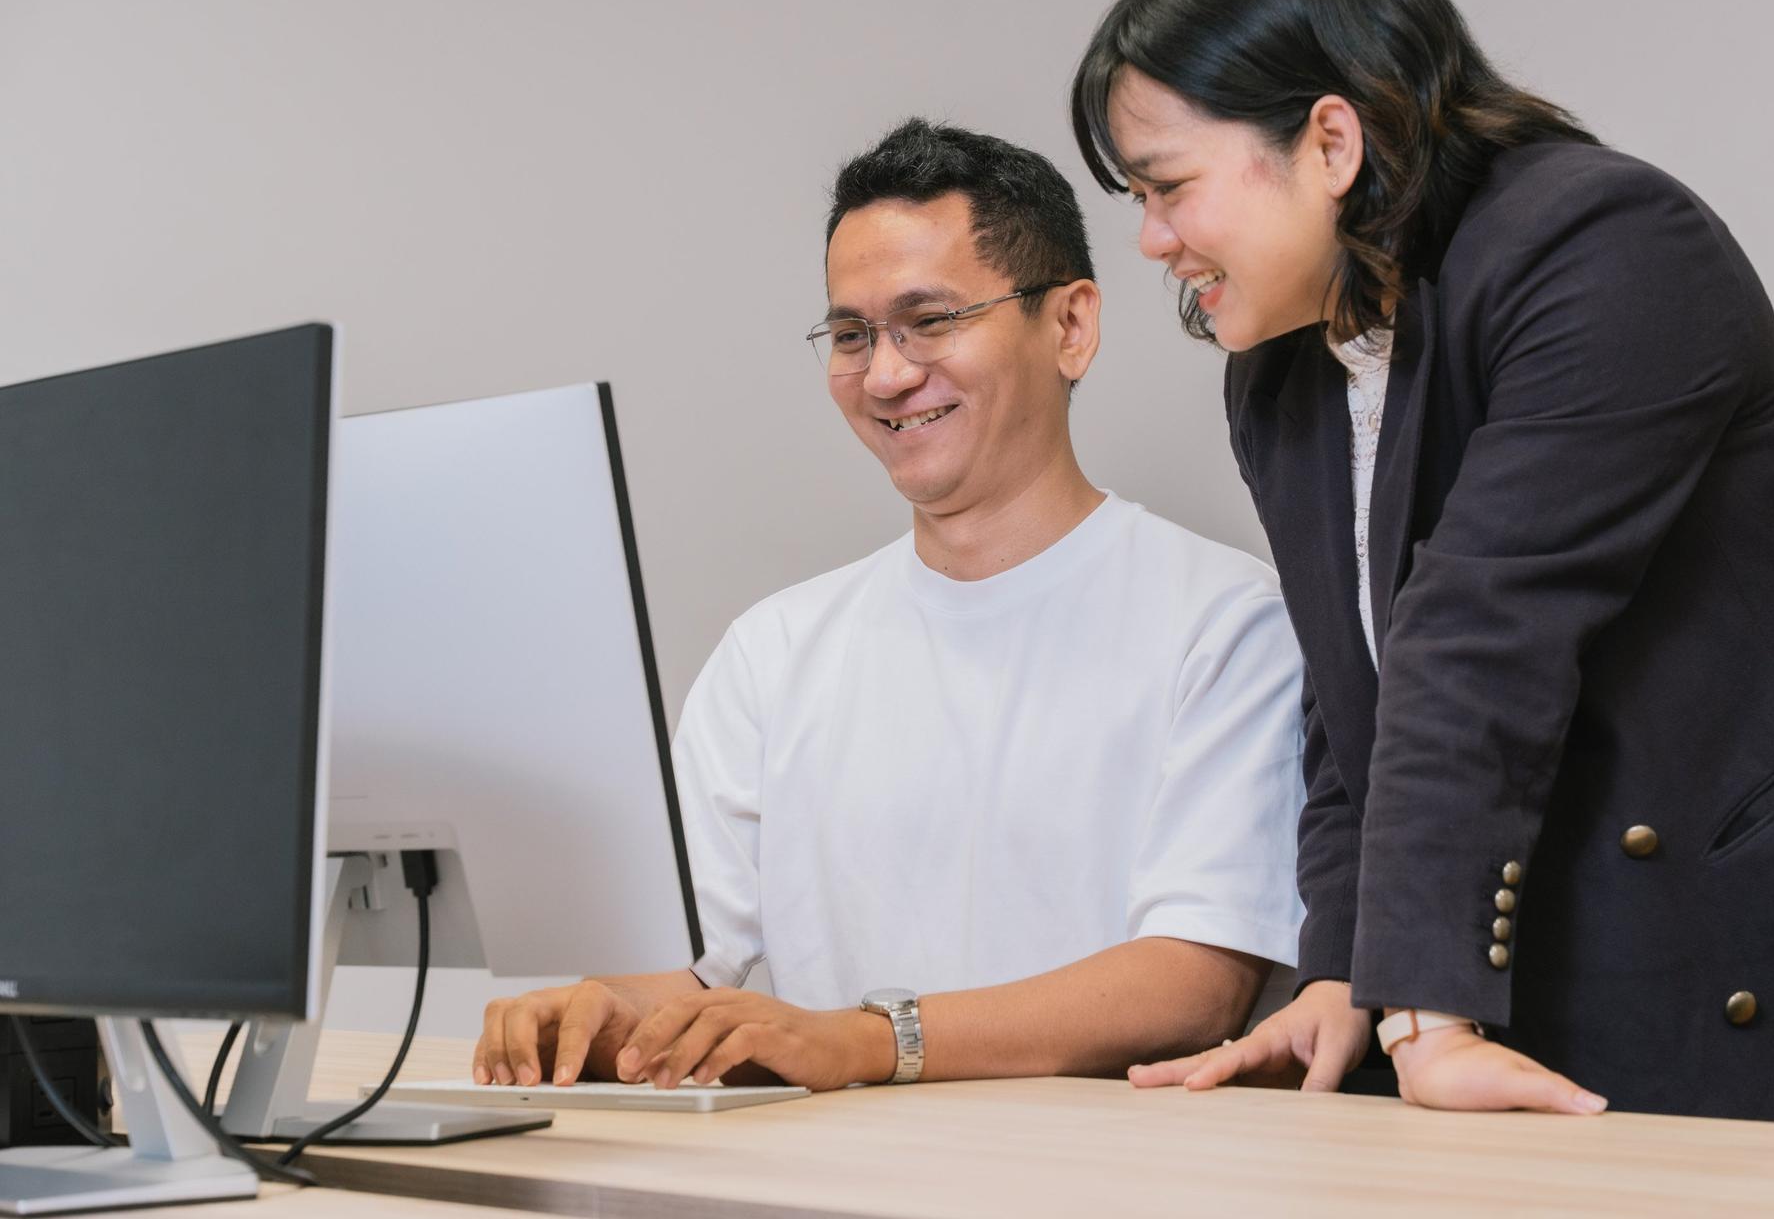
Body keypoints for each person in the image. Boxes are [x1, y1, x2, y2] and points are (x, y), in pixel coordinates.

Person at [1070, 0, 1774, 1127]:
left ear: (1329, 140)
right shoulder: (1279, 373)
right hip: (1613, 973)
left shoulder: (1605, 243)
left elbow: (1478, 630)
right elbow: (1351, 702)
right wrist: (1344, 968)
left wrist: (1424, 1005)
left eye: (1168, 186)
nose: (1151, 239)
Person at [472, 120, 1306, 1094]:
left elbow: (1192, 983)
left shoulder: (1225, 622)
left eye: (930, 320)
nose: (885, 375)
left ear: (1070, 326)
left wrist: (869, 1041)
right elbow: (684, 972)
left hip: (1107, 1165)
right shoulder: (774, 650)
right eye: (852, 335)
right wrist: (597, 1016)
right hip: (828, 1169)